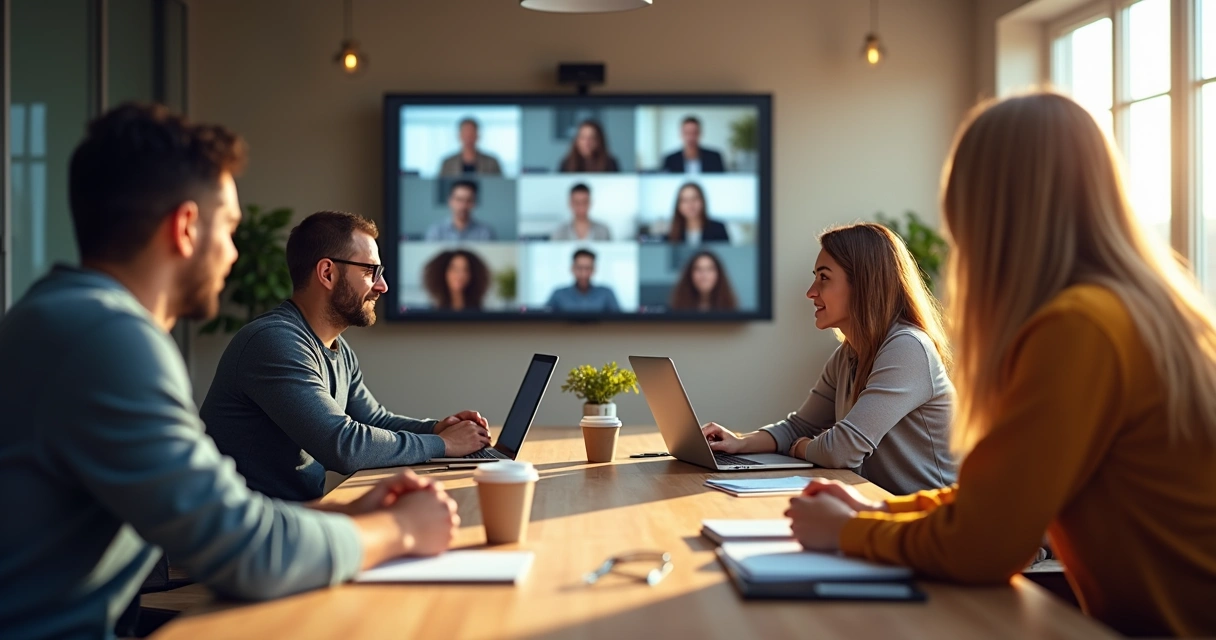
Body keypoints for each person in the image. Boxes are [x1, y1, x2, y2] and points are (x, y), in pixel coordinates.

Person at [0, 104, 460, 639]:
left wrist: (352, 518)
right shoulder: (106, 340)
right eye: (230, 229)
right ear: (187, 228)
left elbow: (227, 515)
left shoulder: (64, 316)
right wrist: (395, 531)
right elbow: (247, 552)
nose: (234, 253)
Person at [785, 93, 1216, 637]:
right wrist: (874, 514)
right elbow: (1000, 496)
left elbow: (986, 543)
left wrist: (848, 535)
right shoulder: (1135, 309)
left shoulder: (1079, 327)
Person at [204, 211, 493, 502]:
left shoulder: (337, 348)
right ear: (327, 273)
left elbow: (375, 420)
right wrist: (442, 444)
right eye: (371, 271)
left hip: (292, 519)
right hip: (244, 535)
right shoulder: (273, 341)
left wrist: (436, 428)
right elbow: (342, 445)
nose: (383, 286)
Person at [701, 223, 956, 495]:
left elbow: (842, 450)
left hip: (932, 523)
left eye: (824, 278)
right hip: (882, 508)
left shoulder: (908, 348)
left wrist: (800, 447)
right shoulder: (848, 354)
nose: (811, 291)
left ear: (864, 284)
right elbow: (800, 425)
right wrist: (739, 442)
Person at [545, 248, 621, 313]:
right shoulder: (558, 294)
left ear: (594, 270)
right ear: (572, 269)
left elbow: (620, 322)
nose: (583, 274)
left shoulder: (606, 294)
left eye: (587, 268)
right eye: (579, 268)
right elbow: (545, 321)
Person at [424, 180, 496, 241]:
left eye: (469, 200)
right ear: (450, 201)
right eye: (459, 200)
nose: (463, 206)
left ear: (474, 203)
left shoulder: (485, 232)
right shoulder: (436, 231)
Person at [668, 250, 738, 311]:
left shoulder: (731, 308)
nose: (704, 275)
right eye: (698, 269)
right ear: (689, 275)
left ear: (719, 274)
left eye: (710, 269)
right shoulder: (676, 309)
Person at [423, 248, 490, 311]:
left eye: (466, 270)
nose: (460, 275)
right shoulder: (431, 315)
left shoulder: (481, 315)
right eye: (454, 269)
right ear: (442, 272)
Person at [438, 117, 503, 177]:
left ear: (477, 135)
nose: (468, 138)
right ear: (459, 135)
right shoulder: (448, 163)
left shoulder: (491, 163)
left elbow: (499, 186)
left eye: (471, 134)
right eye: (466, 134)